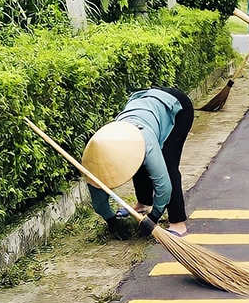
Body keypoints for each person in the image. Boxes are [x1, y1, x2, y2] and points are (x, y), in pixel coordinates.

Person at [81, 86, 194, 239]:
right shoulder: (96, 156)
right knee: (136, 162)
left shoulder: (146, 143)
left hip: (175, 107)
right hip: (142, 100)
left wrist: (153, 218)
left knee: (168, 164)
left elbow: (164, 187)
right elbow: (97, 194)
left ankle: (178, 222)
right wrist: (111, 221)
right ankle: (143, 203)